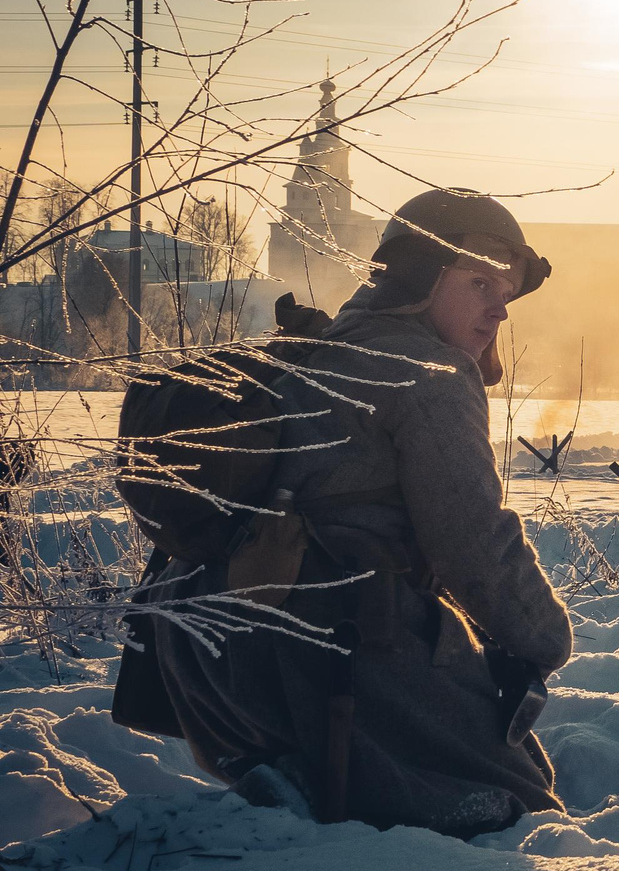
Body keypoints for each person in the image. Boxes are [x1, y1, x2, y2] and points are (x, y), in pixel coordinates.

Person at [141, 189, 572, 837]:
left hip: (208, 648)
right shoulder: (428, 370)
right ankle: (329, 801)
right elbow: (470, 540)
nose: (496, 309)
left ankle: (296, 786)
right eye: (480, 283)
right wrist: (544, 637)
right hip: (328, 642)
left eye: (505, 294)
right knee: (519, 806)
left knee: (401, 778)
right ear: (423, 277)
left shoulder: (323, 347)